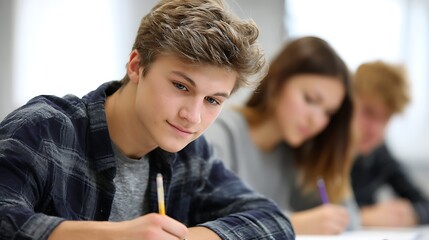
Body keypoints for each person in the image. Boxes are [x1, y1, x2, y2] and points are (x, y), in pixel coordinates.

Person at [0, 0, 295, 239]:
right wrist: (115, 237)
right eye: (181, 86)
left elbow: (272, 220)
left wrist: (185, 238)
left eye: (212, 100)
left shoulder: (191, 154)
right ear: (137, 66)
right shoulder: (43, 130)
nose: (192, 117)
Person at [204, 36, 360, 235]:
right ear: (277, 82)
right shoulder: (220, 133)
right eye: (310, 99)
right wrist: (292, 223)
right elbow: (205, 221)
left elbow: (348, 217)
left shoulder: (293, 153)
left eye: (328, 113)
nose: (317, 121)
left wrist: (331, 163)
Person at [351, 60, 429, 227]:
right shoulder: (322, 145)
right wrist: (363, 217)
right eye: (368, 112)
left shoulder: (378, 152)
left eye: (385, 118)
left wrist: (410, 214)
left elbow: (424, 203)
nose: (375, 130)